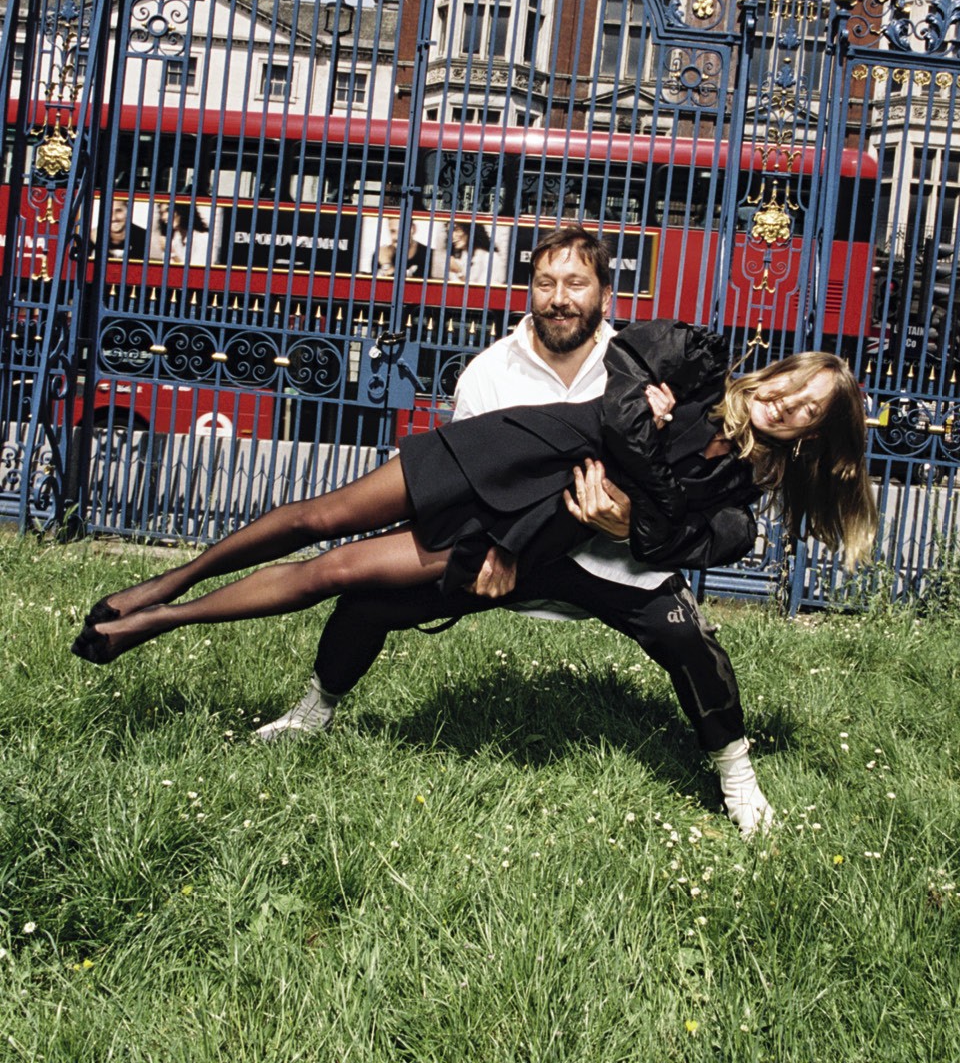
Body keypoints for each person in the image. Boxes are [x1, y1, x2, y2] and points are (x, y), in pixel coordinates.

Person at [71, 228, 876, 836]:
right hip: (507, 455)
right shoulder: (698, 364)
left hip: (548, 538)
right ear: (779, 371)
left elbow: (676, 539)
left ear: (813, 435)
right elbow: (626, 386)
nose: (787, 403)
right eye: (793, 385)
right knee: (335, 545)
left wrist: (629, 517)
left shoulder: (735, 500)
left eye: (808, 410)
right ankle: (170, 595)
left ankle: (738, 781)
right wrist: (643, 450)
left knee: (687, 641)